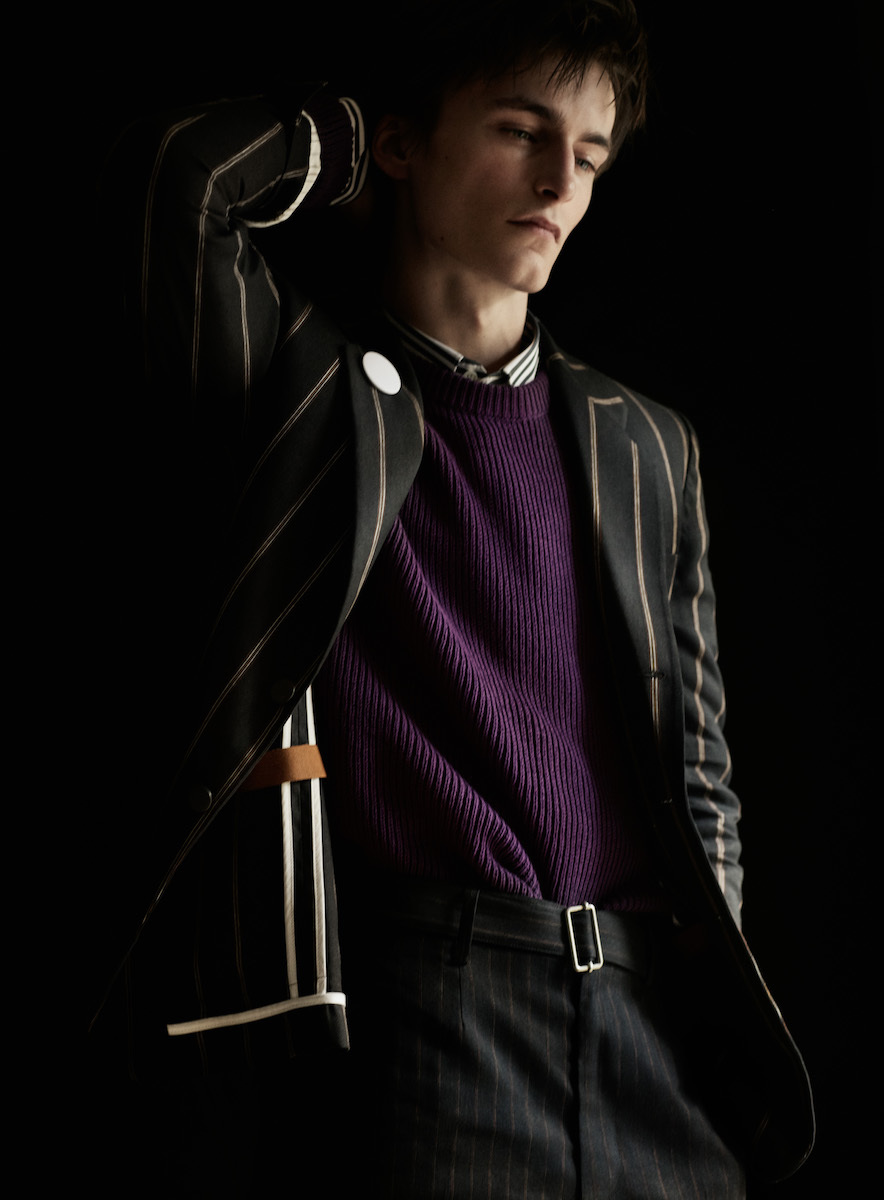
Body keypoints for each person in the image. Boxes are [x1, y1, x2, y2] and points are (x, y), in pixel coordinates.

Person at [85, 2, 814, 1195]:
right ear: (406, 144)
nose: (558, 184)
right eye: (520, 132)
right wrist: (357, 137)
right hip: (432, 1005)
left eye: (588, 155)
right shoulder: (294, 387)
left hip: (654, 1032)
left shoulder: (646, 443)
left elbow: (698, 767)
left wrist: (707, 976)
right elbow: (178, 177)